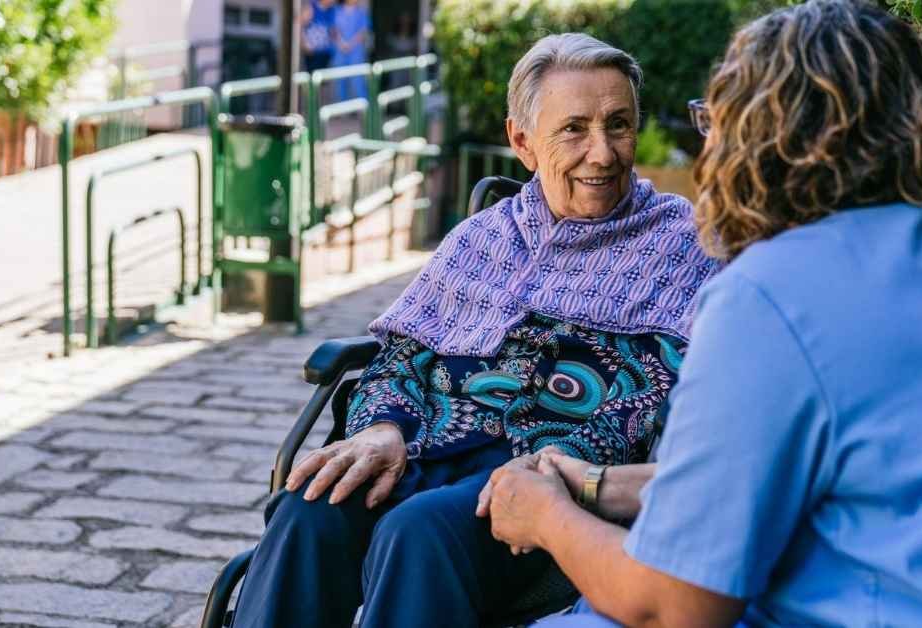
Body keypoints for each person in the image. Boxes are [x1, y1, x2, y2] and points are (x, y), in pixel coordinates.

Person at [482, 1, 922, 626]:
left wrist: (545, 516)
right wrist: (595, 484)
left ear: (765, 137)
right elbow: (836, 471)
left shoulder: (770, 294)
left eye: (716, 122)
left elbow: (672, 606)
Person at [229, 33, 720, 628]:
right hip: (427, 445)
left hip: (552, 473)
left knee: (420, 530)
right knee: (311, 509)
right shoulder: (481, 237)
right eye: (574, 129)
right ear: (522, 142)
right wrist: (381, 428)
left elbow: (659, 396)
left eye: (619, 125)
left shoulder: (682, 242)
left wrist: (565, 466)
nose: (603, 153)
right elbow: (402, 354)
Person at [331, 0, 372, 101]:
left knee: (358, 80)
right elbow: (333, 29)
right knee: (339, 81)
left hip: (356, 51)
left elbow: (364, 31)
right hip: (339, 51)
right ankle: (341, 109)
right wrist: (341, 43)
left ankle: (363, 110)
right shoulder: (336, 11)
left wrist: (351, 44)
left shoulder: (361, 13)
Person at [300, 0, 337, 73]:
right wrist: (304, 44)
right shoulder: (311, 6)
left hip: (326, 53)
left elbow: (333, 31)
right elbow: (299, 25)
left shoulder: (332, 10)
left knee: (323, 80)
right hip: (312, 53)